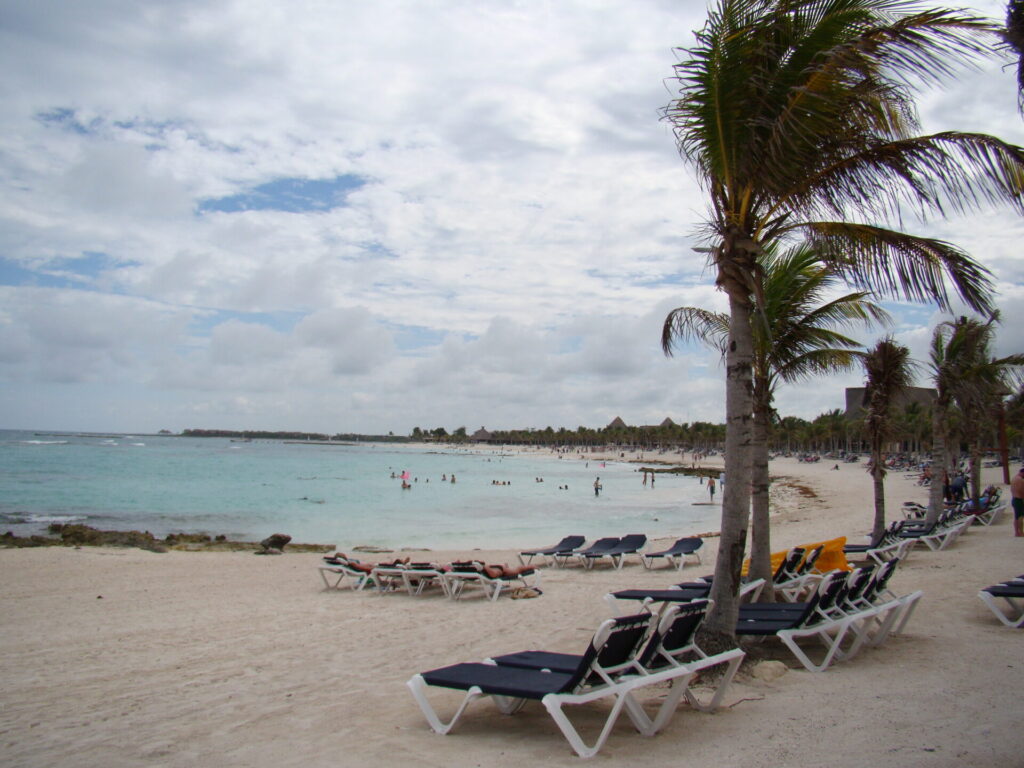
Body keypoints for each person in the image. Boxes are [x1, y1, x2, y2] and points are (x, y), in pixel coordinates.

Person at [1011, 467, 1024, 537]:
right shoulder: (1020, 480)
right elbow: (1021, 491)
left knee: (1016, 517)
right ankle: (1021, 532)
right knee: (1020, 517)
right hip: (1019, 500)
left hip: (1014, 499)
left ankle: (1016, 532)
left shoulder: (1014, 478)